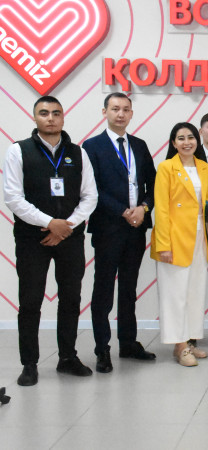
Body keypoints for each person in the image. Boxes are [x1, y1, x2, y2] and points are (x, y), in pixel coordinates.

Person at [3, 96, 98, 386]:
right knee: (30, 301)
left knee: (70, 299)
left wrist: (66, 226)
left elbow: (90, 196)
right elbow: (13, 197)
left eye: (56, 113)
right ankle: (29, 363)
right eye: (44, 113)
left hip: (70, 237)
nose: (51, 118)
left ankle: (67, 357)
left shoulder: (78, 153)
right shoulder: (18, 151)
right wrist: (49, 223)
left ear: (63, 118)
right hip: (33, 239)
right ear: (35, 118)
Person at [84, 93, 157, 374]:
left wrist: (144, 208)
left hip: (136, 229)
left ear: (131, 114)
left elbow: (153, 184)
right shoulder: (92, 146)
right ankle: (102, 348)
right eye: (115, 109)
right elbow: (92, 188)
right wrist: (123, 211)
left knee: (129, 289)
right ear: (104, 112)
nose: (121, 114)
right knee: (103, 290)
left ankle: (128, 342)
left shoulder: (139, 145)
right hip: (108, 228)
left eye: (126, 109)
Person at [151, 123, 208, 366]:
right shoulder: (166, 168)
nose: (186, 142)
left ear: (197, 140)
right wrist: (163, 244)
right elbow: (161, 208)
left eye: (190, 137)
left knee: (194, 292)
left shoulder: (203, 167)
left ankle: (189, 341)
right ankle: (179, 345)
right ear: (173, 143)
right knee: (175, 294)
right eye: (180, 138)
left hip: (200, 238)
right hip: (174, 239)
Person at [167, 112, 208, 343]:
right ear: (201, 132)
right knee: (189, 284)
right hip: (190, 232)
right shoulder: (187, 157)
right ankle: (189, 335)